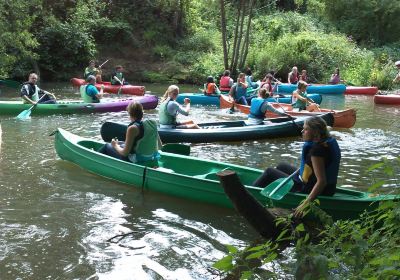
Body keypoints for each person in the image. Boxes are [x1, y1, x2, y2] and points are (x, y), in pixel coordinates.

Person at [253, 116, 341, 217]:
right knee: (282, 165)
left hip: (312, 189)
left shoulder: (317, 151)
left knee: (269, 171)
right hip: (325, 186)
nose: (302, 131)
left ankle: (251, 193)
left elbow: (322, 181)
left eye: (306, 129)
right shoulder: (327, 141)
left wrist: (305, 204)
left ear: (316, 132)